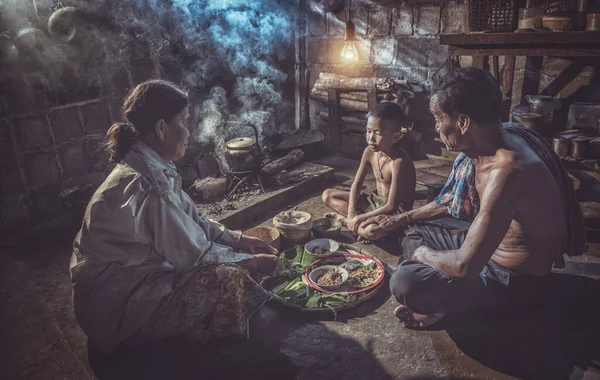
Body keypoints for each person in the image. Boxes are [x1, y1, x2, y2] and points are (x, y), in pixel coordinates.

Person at [360, 67, 586, 328]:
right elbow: (452, 200)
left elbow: (465, 266)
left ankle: (441, 304)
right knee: (411, 230)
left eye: (437, 118)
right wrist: (395, 220)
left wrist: (424, 255)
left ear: (463, 122)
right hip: (482, 250)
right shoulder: (494, 139)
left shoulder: (509, 171)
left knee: (404, 281)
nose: (435, 127)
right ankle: (440, 296)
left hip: (512, 280)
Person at [70, 80, 284, 353]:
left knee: (232, 261)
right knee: (230, 278)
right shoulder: (150, 184)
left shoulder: (151, 165)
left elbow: (191, 221)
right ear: (161, 128)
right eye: (184, 123)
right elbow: (195, 255)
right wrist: (252, 262)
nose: (189, 133)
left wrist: (239, 240)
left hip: (126, 288)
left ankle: (181, 326)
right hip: (115, 311)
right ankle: (195, 345)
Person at [321, 101, 416, 242]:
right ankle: (357, 224)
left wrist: (358, 218)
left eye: (378, 133)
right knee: (327, 195)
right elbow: (357, 184)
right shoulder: (369, 152)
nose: (371, 138)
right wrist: (352, 212)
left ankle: (346, 221)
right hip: (374, 200)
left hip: (395, 214)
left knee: (372, 232)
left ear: (396, 136)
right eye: (368, 131)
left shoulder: (399, 162)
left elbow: (391, 206)